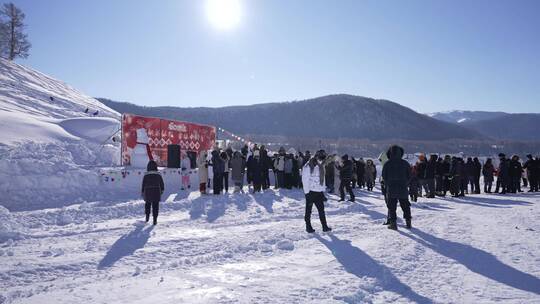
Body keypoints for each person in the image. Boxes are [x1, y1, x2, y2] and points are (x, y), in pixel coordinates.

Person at [382, 145, 412, 230]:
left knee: (392, 207)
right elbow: (410, 176)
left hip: (391, 188)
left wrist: (388, 184)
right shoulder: (405, 163)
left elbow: (384, 176)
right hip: (403, 188)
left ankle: (393, 224)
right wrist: (405, 183)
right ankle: (408, 222)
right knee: (405, 205)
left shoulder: (387, 163)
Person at [302, 150, 332, 233]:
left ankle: (325, 226)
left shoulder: (321, 165)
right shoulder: (308, 165)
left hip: (318, 192)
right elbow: (305, 179)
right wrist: (306, 192)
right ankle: (308, 227)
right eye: (320, 158)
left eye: (322, 159)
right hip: (310, 192)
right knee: (308, 210)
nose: (321, 160)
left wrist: (322, 192)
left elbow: (322, 180)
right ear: (316, 157)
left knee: (321, 210)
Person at [141, 160, 164, 225]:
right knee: (155, 205)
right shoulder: (158, 174)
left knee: (147, 204)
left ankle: (147, 217)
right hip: (156, 191)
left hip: (148, 191)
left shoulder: (146, 174)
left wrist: (142, 191)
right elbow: (161, 183)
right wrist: (162, 189)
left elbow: (143, 183)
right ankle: (155, 220)